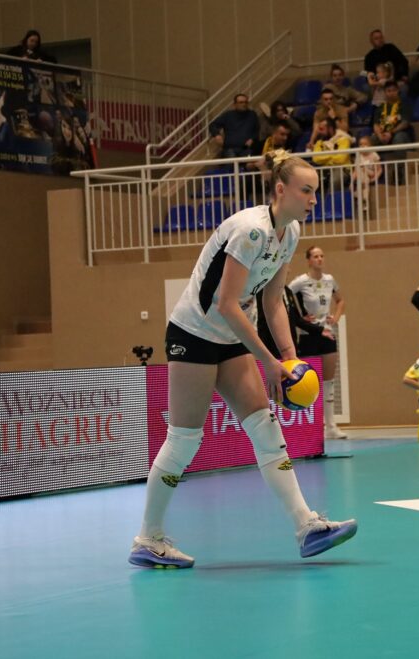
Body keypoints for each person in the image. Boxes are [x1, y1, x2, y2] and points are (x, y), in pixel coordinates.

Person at [129, 150, 357, 569]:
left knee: (265, 427)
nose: (313, 200)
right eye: (306, 191)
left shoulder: (291, 233)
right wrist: (268, 360)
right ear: (281, 190)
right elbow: (226, 303)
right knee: (184, 440)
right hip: (195, 334)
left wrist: (289, 358)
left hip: (233, 338)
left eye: (316, 192)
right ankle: (148, 538)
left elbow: (272, 301)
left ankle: (306, 526)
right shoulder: (250, 231)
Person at [288, 247, 346, 439]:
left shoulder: (329, 280)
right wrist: (300, 317)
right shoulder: (300, 282)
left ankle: (331, 426)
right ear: (308, 260)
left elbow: (340, 301)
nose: (319, 259)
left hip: (327, 333)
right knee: (309, 381)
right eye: (315, 256)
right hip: (308, 335)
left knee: (328, 382)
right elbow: (285, 296)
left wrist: (335, 318)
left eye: (322, 256)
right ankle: (312, 427)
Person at [372, 81, 412, 163]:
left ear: (398, 91)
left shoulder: (404, 105)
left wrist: (391, 132)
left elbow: (405, 123)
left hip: (399, 133)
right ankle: (375, 167)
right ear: (385, 92)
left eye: (394, 90)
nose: (391, 93)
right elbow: (375, 124)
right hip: (383, 133)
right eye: (389, 91)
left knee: (399, 138)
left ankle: (401, 167)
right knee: (371, 139)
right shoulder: (380, 107)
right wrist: (380, 135)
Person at [310, 117, 353, 190]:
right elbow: (316, 159)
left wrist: (324, 157)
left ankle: (331, 198)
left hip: (341, 169)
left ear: (330, 129)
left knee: (335, 180)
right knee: (309, 179)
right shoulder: (319, 142)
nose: (319, 132)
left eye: (322, 129)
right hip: (323, 168)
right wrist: (333, 155)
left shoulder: (344, 139)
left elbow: (341, 159)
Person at [351, 134, 382, 216]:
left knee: (363, 172)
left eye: (365, 144)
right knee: (361, 174)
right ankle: (364, 200)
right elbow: (355, 171)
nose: (362, 146)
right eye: (360, 144)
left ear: (370, 145)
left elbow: (379, 169)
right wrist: (351, 182)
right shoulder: (358, 156)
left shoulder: (374, 155)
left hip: (370, 173)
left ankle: (358, 196)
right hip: (361, 177)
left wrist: (375, 178)